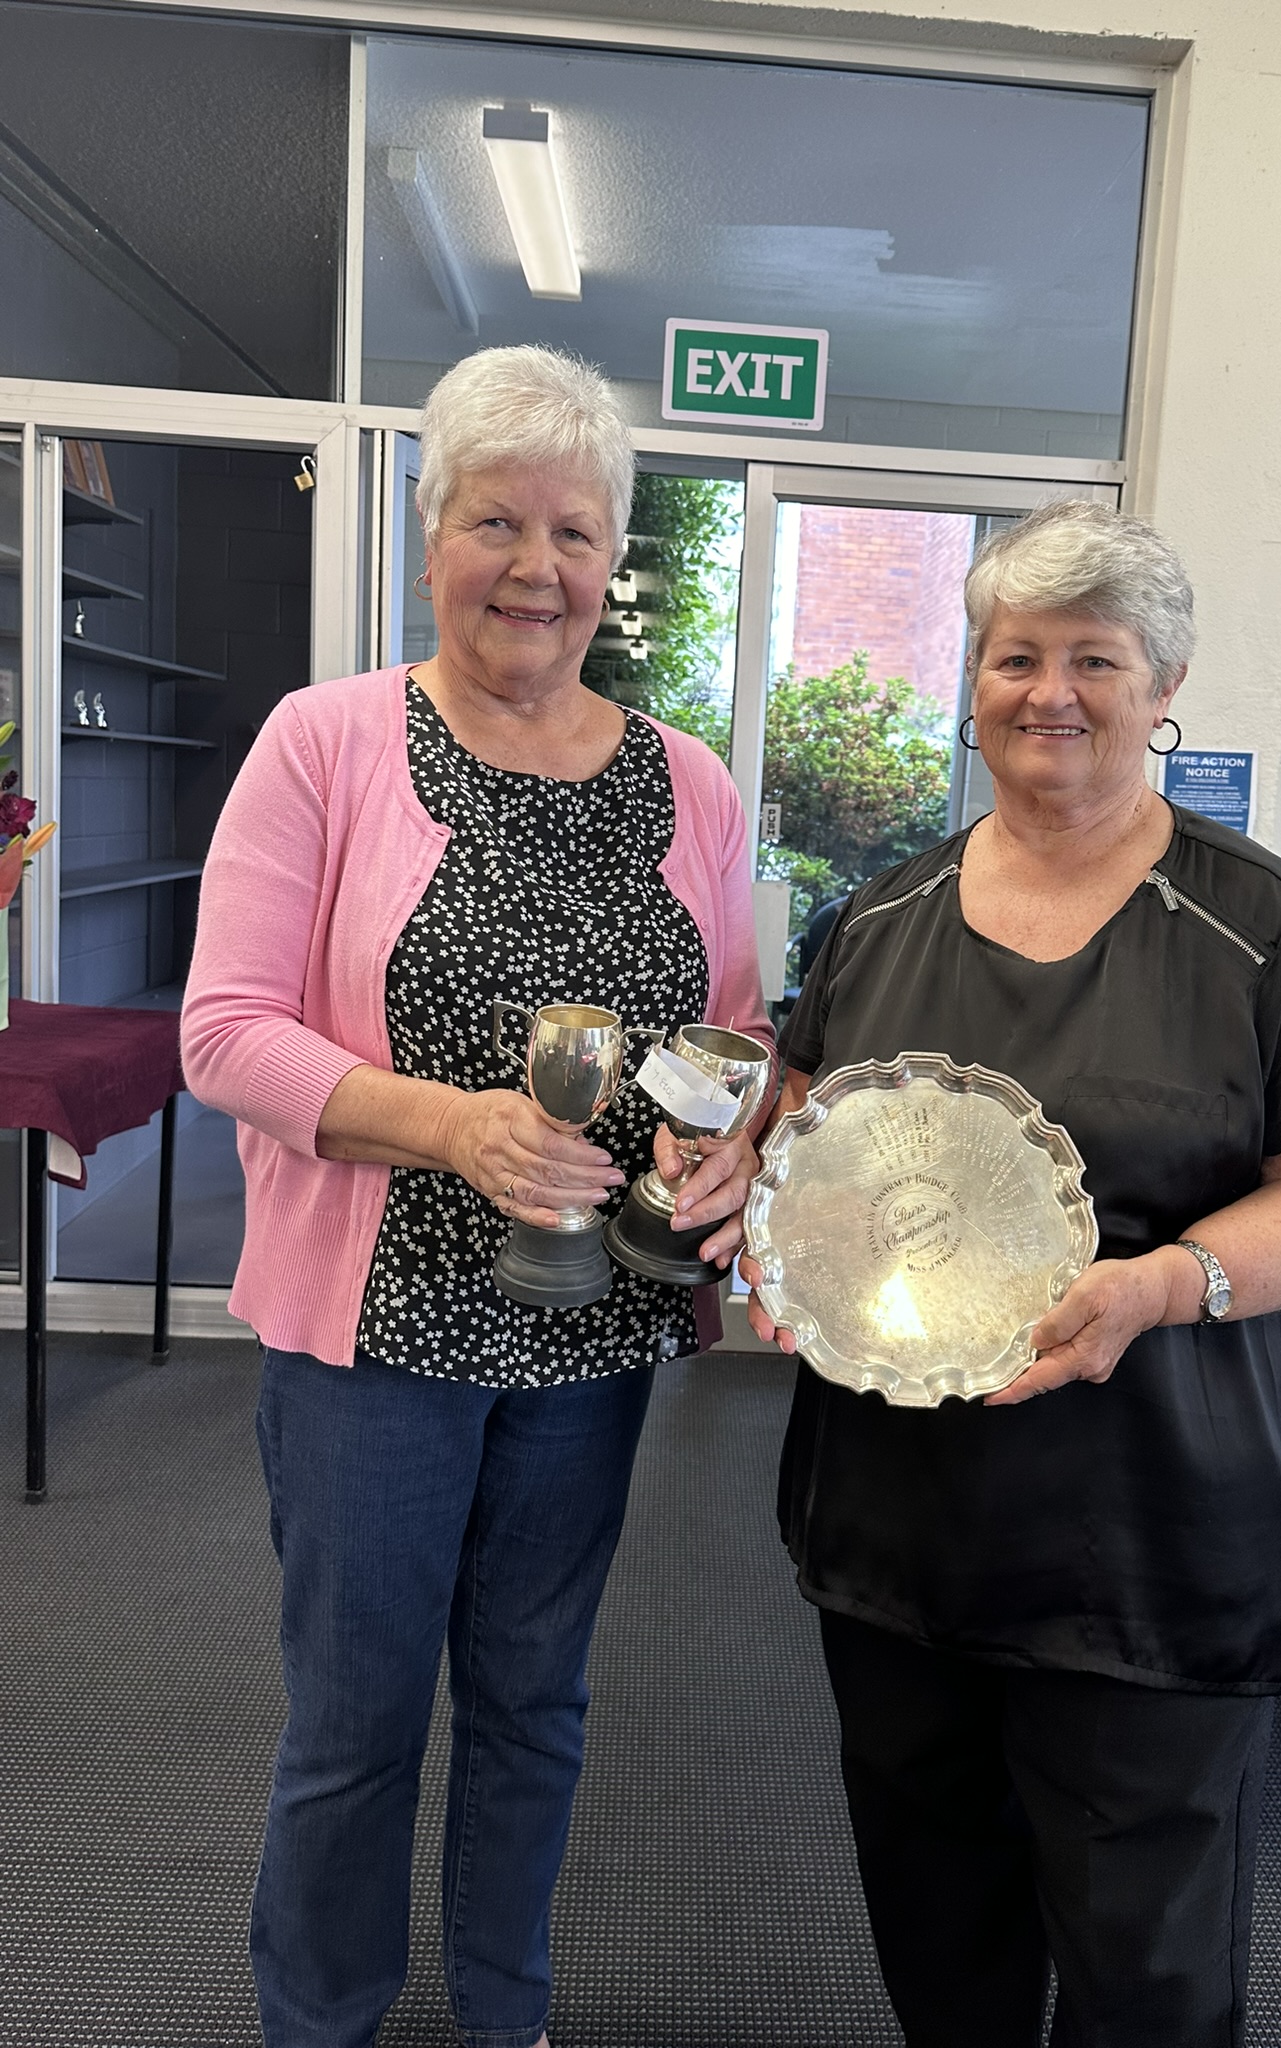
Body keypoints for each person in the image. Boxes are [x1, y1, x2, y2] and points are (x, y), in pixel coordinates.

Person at [743, 499, 1281, 2048]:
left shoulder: (1263, 927)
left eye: (1095, 659)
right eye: (1016, 656)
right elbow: (808, 1148)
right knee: (942, 1946)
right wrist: (773, 1229)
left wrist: (1164, 1282)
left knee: (1147, 1981)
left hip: (1151, 1549)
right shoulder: (880, 918)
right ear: (972, 681)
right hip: (901, 1533)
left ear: (1163, 686)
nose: (1051, 692)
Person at [181, 344, 771, 2048]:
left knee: (535, 1707)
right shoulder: (327, 744)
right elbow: (225, 1034)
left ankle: (506, 2014)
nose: (537, 566)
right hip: (376, 1338)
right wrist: (454, 1129)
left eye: (575, 532)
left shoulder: (688, 782)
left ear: (613, 561)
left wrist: (726, 1141)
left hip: (589, 1337)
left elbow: (730, 1037)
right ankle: (324, 2020)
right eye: (497, 522)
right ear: (432, 535)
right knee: (356, 1723)